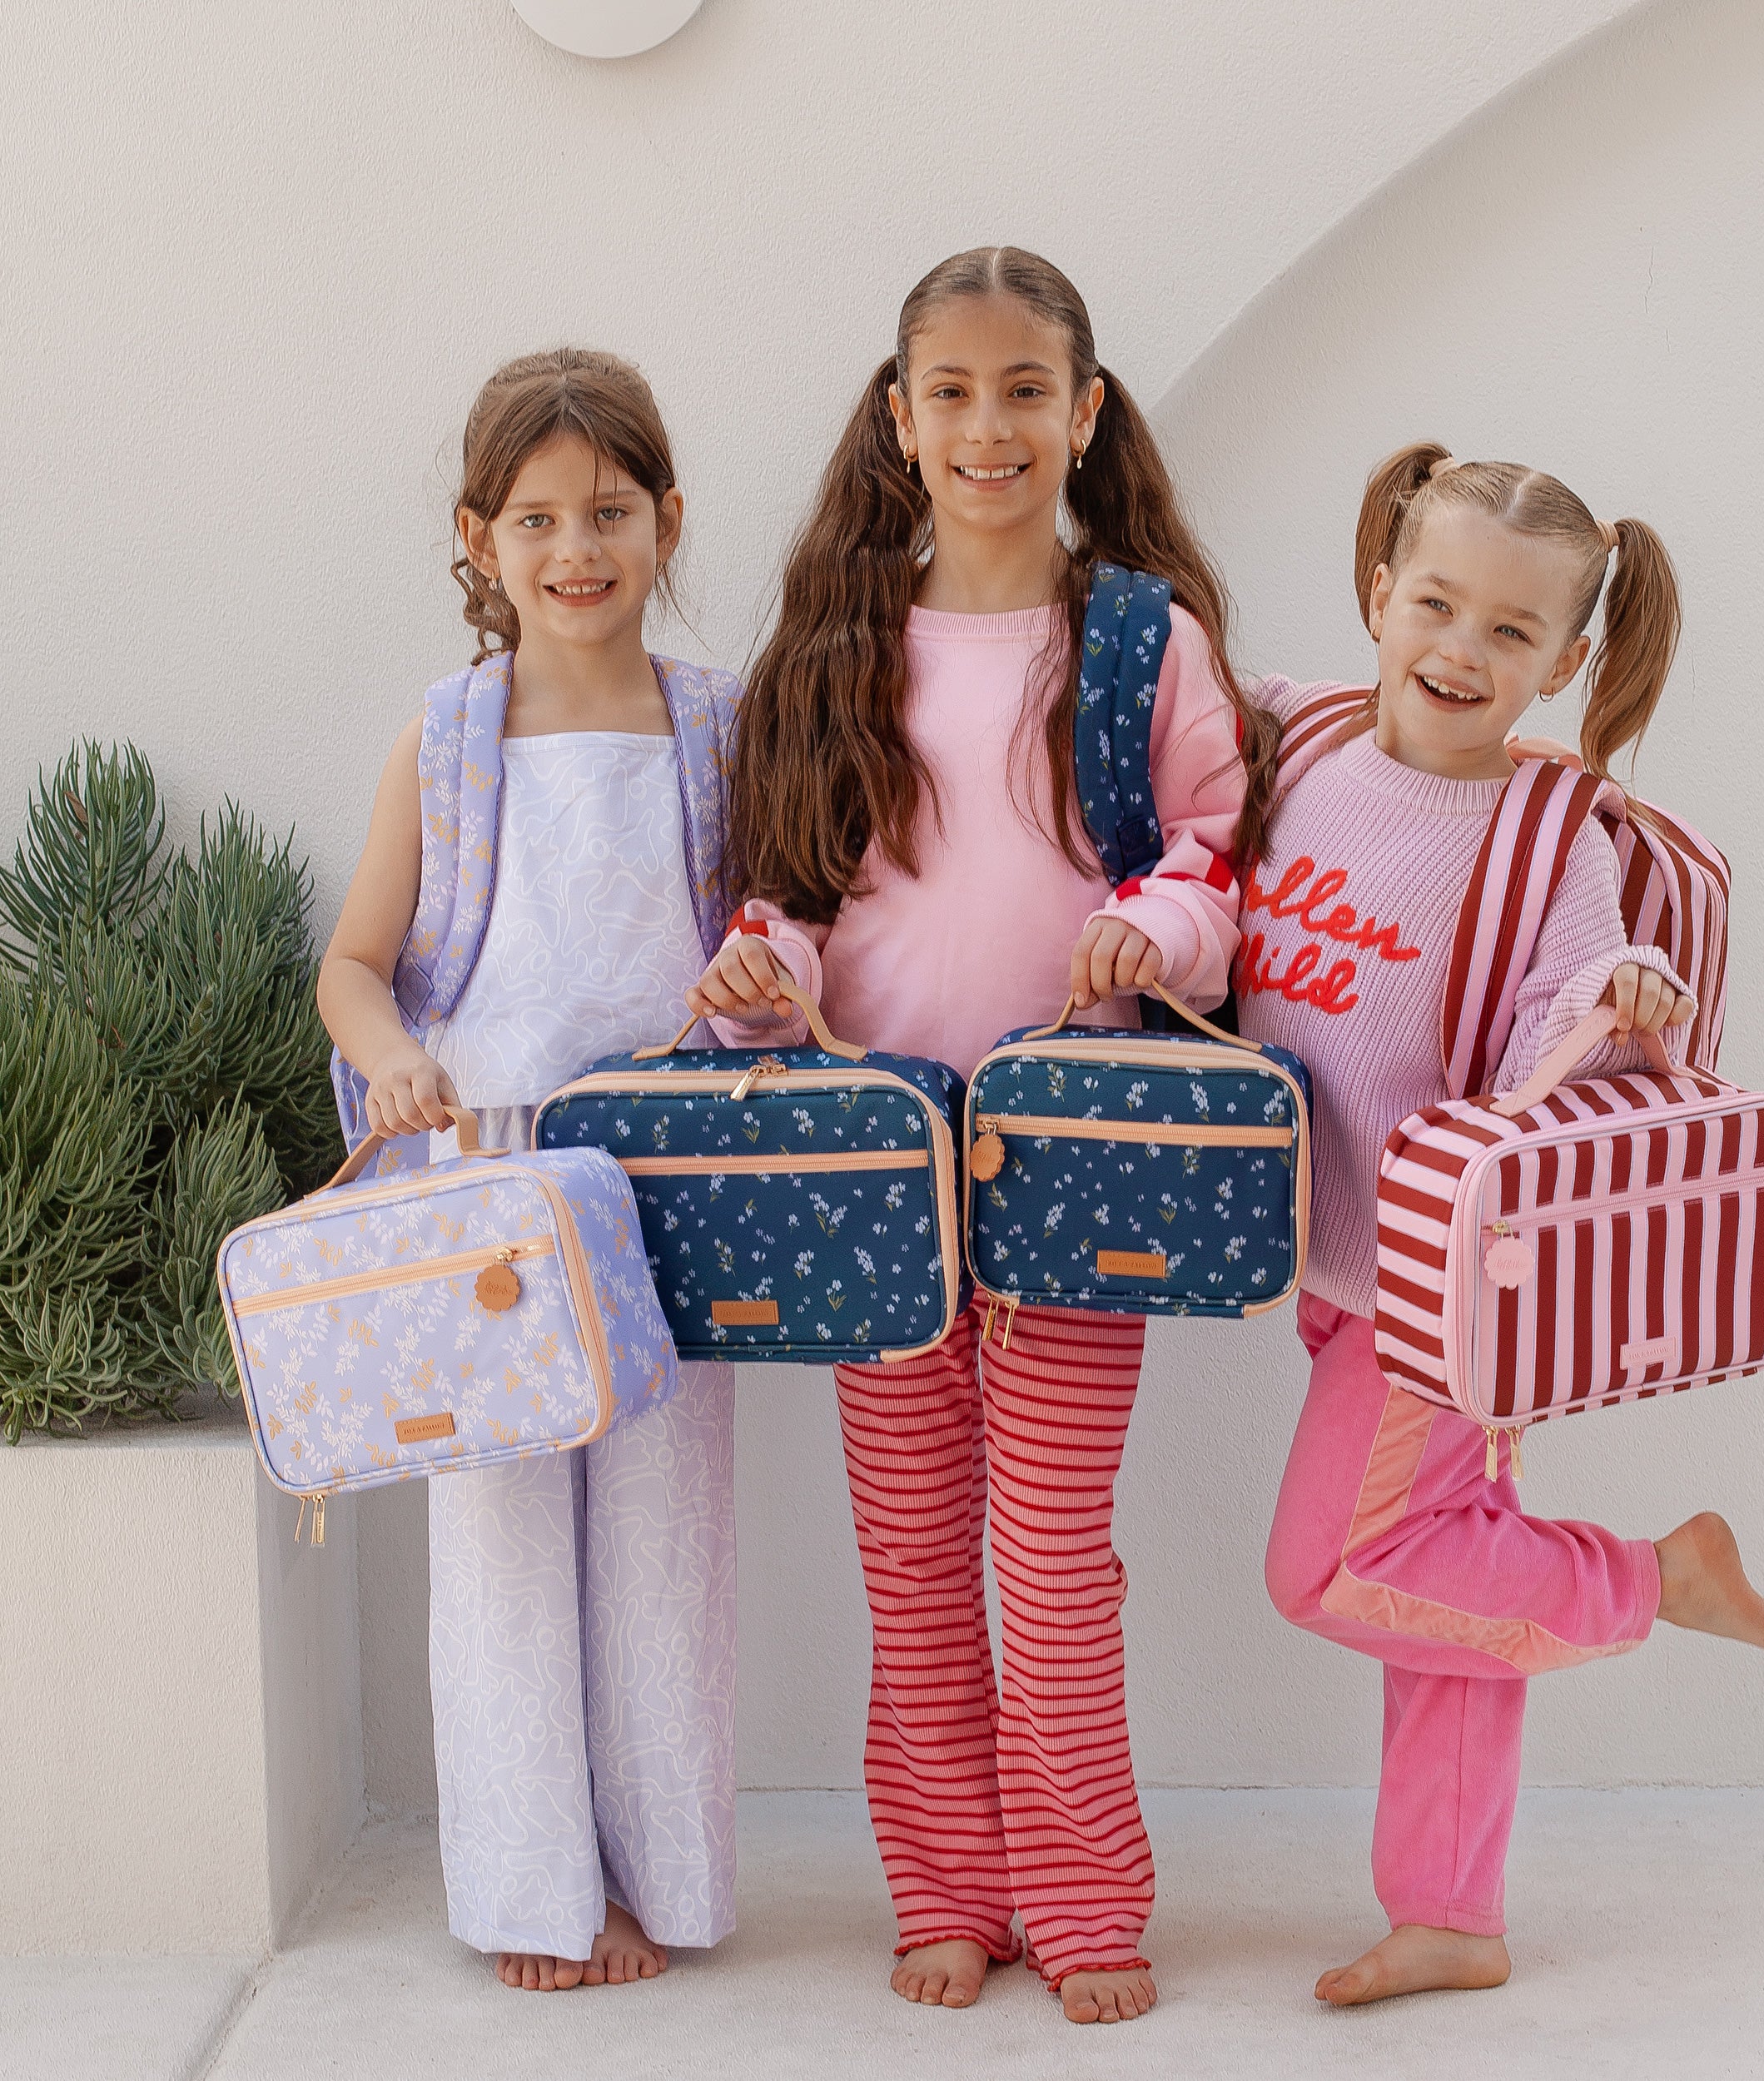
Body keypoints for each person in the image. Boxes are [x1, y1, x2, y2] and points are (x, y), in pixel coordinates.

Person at [683, 246, 1277, 2025]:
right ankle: (944, 1883)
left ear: (1083, 413)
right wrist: (759, 969)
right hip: (880, 1176)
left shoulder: (1140, 639)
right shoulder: (840, 648)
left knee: (1046, 1544)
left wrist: (1158, 937)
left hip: (1072, 1168)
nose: (987, 425)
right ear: (897, 416)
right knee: (916, 1559)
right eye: (950, 391)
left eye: (1025, 389)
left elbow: (1212, 854)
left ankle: (1084, 1893)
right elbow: (793, 888)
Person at [1245, 443, 1764, 2007]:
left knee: (1335, 1568)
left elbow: (1578, 994)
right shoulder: (1298, 747)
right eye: (1434, 603)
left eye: (1511, 633)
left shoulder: (1545, 834)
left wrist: (1621, 994)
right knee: (1440, 1564)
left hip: (1444, 1287)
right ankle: (1451, 1915)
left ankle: (1652, 1582)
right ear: (1377, 593)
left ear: (1566, 661)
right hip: (1326, 1253)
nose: (1459, 650)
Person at [317, 349, 738, 1992]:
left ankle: (661, 1875)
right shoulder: (445, 740)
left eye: (612, 510)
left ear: (666, 519)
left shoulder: (714, 724)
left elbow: (769, 929)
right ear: (479, 537)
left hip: (662, 1189)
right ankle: (529, 1887)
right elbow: (354, 961)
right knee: (498, 1547)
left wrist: (762, 989)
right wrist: (397, 1054)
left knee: (665, 1544)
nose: (580, 545)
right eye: (541, 515)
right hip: (486, 1183)